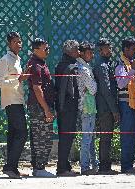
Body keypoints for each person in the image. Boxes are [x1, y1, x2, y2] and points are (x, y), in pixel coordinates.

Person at [0, 32, 28, 179]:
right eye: (15, 42)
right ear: (9, 44)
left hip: (19, 100)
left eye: (20, 41)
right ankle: (10, 166)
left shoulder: (18, 59)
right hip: (11, 102)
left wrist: (20, 80)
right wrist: (18, 80)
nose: (19, 44)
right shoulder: (5, 60)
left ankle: (11, 168)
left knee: (14, 134)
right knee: (22, 133)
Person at [27, 38, 55, 177]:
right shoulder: (36, 65)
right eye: (45, 48)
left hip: (40, 106)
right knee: (42, 139)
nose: (48, 51)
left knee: (42, 137)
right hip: (39, 108)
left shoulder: (40, 63)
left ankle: (38, 168)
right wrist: (46, 109)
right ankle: (39, 168)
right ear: (36, 50)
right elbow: (37, 89)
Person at [115, 36, 135, 173]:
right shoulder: (121, 63)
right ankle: (125, 165)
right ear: (125, 49)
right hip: (126, 104)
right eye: (133, 49)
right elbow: (121, 83)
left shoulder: (131, 62)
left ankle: (129, 163)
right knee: (127, 134)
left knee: (133, 134)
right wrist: (133, 71)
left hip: (134, 103)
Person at [93, 38, 120, 174]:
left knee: (107, 136)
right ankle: (104, 167)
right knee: (105, 137)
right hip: (105, 108)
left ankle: (105, 166)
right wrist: (114, 110)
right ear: (101, 50)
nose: (110, 50)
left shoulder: (106, 64)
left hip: (106, 107)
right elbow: (106, 90)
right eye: (107, 48)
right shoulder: (102, 66)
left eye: (110, 47)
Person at [55, 40, 80, 176]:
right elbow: (68, 90)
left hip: (67, 106)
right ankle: (62, 168)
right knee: (65, 137)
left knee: (69, 136)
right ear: (70, 51)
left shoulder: (68, 64)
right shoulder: (67, 66)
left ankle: (66, 165)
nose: (79, 52)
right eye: (76, 50)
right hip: (66, 107)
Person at [76, 41, 98, 175]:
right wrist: (93, 85)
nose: (92, 55)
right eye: (89, 52)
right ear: (82, 53)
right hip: (86, 106)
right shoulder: (83, 69)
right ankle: (85, 166)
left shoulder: (85, 66)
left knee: (90, 138)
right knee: (87, 138)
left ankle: (93, 164)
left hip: (89, 105)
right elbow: (94, 89)